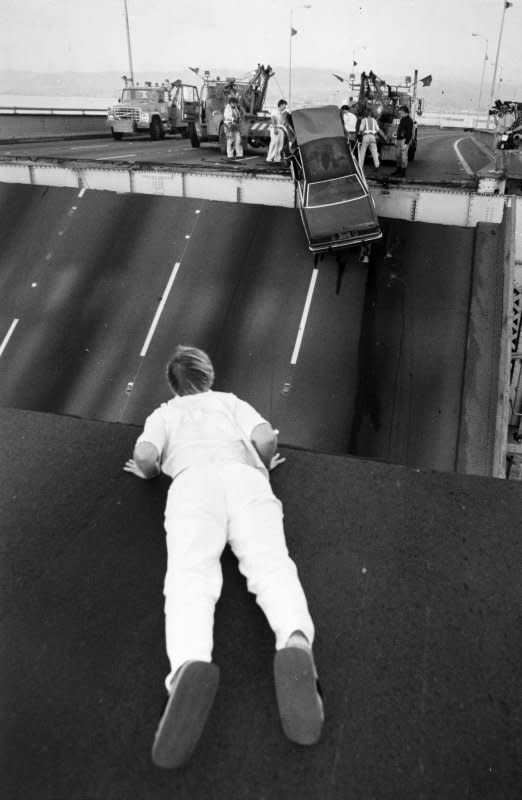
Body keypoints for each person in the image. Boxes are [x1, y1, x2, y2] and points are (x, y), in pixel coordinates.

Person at [124, 345, 324, 769]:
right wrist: (264, 464)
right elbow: (265, 437)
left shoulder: (164, 414)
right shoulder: (230, 402)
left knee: (190, 578)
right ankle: (295, 643)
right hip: (245, 478)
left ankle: (187, 667)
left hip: (192, 483)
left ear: (173, 384)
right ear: (208, 374)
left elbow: (145, 455)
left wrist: (147, 471)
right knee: (272, 567)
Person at [393, 104, 414, 177]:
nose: (400, 114)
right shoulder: (402, 119)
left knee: (404, 157)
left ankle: (403, 173)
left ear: (405, 112)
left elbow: (409, 133)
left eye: (401, 113)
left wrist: (406, 143)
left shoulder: (409, 121)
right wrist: (396, 139)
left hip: (404, 140)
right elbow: (399, 130)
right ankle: (398, 170)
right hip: (399, 140)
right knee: (397, 155)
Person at [266, 99, 289, 164]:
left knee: (280, 145)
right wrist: (275, 128)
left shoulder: (281, 112)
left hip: (281, 129)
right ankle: (270, 159)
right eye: (284, 106)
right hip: (275, 128)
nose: (285, 107)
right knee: (274, 143)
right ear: (281, 105)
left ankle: (277, 159)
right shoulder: (275, 111)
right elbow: (273, 119)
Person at [223, 95, 243, 160]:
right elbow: (227, 117)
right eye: (234, 103)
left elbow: (238, 115)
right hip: (229, 127)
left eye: (235, 103)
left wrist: (239, 119)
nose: (235, 104)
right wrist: (234, 119)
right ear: (231, 102)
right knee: (230, 141)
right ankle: (230, 155)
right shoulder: (227, 108)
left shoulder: (235, 108)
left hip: (235, 126)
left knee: (238, 139)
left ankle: (239, 154)